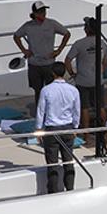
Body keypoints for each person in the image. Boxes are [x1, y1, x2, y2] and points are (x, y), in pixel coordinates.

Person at [14, 1, 70, 115]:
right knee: (38, 91)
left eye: (44, 11)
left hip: (49, 63)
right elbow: (16, 36)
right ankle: (40, 112)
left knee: (51, 90)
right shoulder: (28, 26)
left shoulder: (52, 23)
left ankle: (52, 111)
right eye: (40, 11)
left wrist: (59, 50)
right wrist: (24, 50)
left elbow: (67, 34)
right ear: (34, 13)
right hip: (34, 64)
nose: (43, 13)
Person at [35, 62, 81, 194]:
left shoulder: (46, 90)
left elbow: (40, 110)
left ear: (53, 73)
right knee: (68, 160)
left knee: (52, 162)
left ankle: (54, 192)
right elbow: (76, 111)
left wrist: (38, 129)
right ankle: (70, 188)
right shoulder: (73, 90)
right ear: (64, 73)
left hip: (52, 129)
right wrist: (75, 128)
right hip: (67, 128)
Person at [65, 17, 107, 129]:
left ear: (86, 29)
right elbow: (105, 62)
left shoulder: (79, 44)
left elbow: (67, 60)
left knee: (84, 108)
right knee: (101, 107)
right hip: (98, 80)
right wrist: (100, 73)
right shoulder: (103, 43)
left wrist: (72, 74)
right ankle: (104, 133)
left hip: (82, 81)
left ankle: (86, 135)